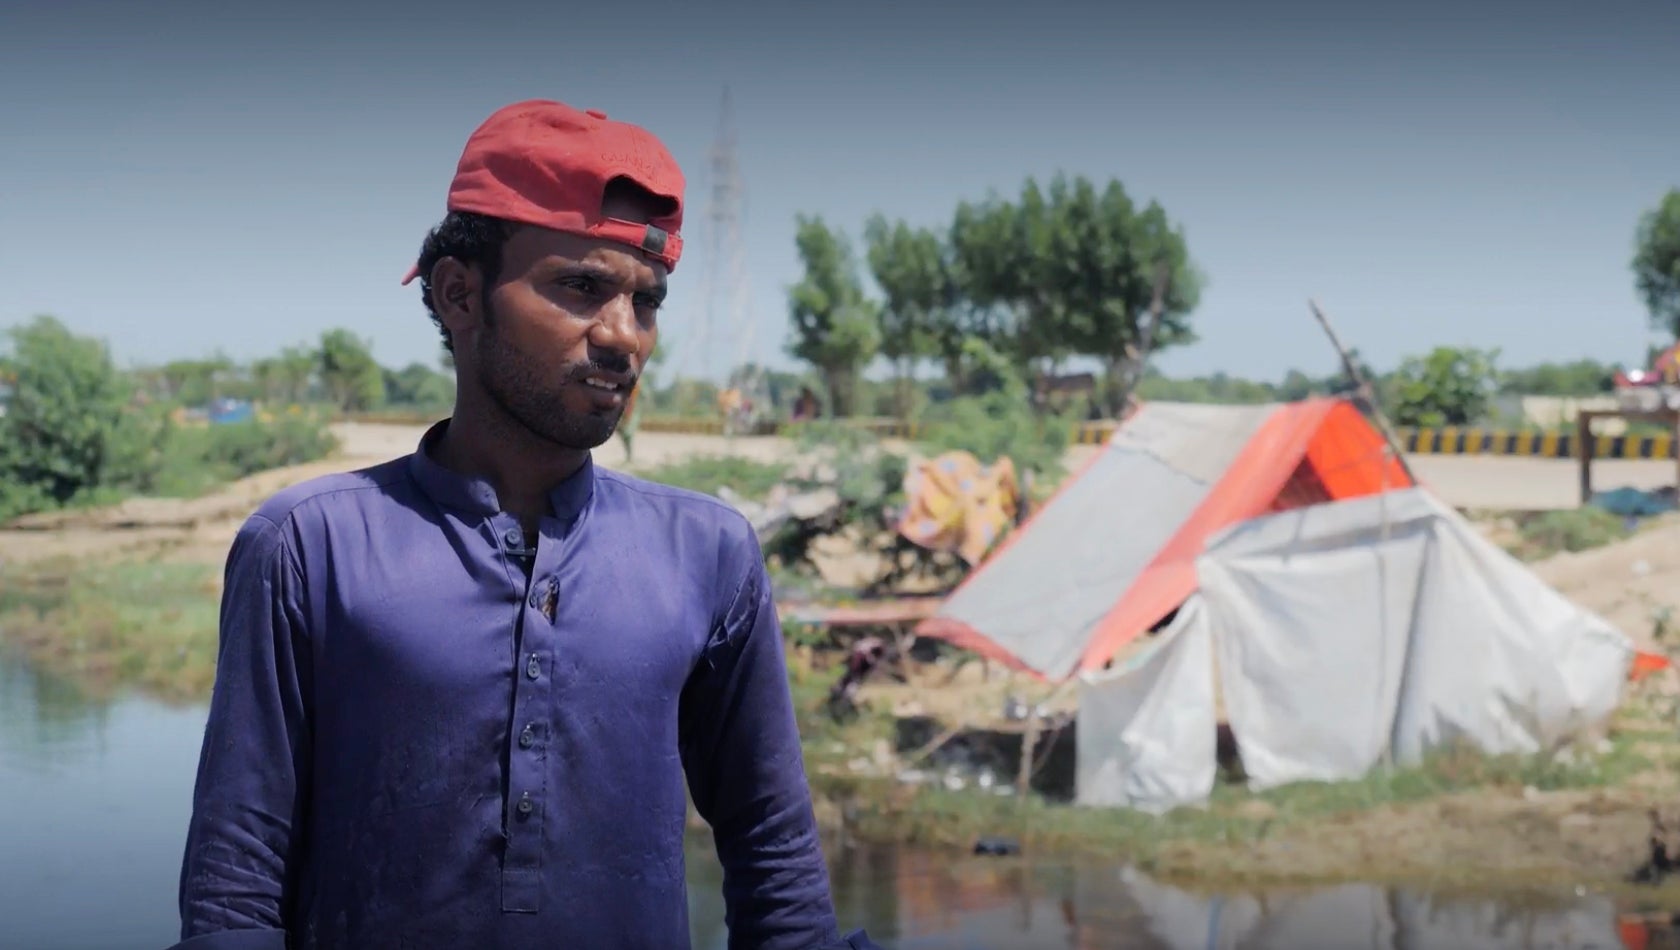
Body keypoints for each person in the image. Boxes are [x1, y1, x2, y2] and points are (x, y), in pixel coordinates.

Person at [172, 100, 880, 950]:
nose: (624, 337)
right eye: (582, 287)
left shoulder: (707, 553)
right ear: (461, 294)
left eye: (646, 302)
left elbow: (779, 881)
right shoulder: (310, 548)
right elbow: (233, 897)